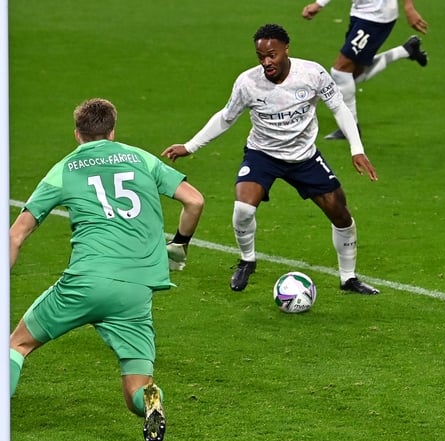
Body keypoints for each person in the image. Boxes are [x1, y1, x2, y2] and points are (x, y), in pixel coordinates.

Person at [0, 98, 204, 441]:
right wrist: (180, 244)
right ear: (113, 130)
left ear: (77, 134)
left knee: (17, 344)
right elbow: (195, 201)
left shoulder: (65, 169)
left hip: (86, 282)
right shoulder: (141, 158)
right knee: (135, 390)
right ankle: (151, 400)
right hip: (136, 291)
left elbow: (16, 234)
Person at [162, 23, 380, 296]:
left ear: (286, 49)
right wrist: (190, 145)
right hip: (262, 154)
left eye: (272, 55)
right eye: (260, 56)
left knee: (340, 214)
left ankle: (348, 278)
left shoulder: (312, 74)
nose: (266, 62)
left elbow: (339, 107)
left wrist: (356, 149)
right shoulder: (248, 82)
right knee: (243, 208)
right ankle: (247, 260)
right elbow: (226, 117)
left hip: (304, 157)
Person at [301, 0, 429, 139]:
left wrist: (409, 7)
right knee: (351, 75)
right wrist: (320, 4)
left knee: (341, 71)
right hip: (359, 12)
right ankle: (407, 50)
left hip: (376, 17)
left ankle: (350, 128)